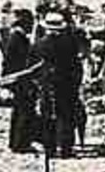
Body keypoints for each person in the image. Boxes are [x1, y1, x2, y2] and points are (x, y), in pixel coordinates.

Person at [34, 12, 86, 157]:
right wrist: (76, 83)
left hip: (47, 85)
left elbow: (33, 66)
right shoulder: (70, 44)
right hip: (67, 85)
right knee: (67, 116)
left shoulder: (40, 44)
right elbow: (76, 66)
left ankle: (49, 149)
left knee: (48, 116)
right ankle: (66, 149)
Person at [2, 9, 39, 152]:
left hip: (17, 79)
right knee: (24, 111)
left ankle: (16, 142)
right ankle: (21, 143)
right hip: (21, 79)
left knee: (19, 111)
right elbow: (21, 61)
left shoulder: (16, 36)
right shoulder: (18, 37)